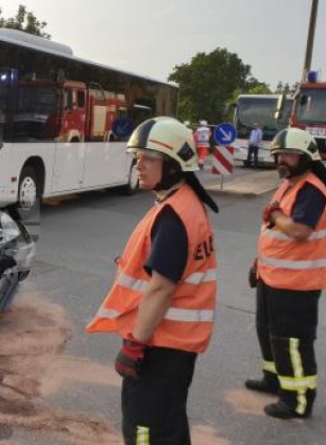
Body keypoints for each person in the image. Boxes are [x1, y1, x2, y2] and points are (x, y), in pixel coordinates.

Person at [86, 117, 219, 444]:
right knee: (169, 423)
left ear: (174, 165)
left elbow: (161, 288)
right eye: (137, 156)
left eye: (148, 157)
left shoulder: (174, 216)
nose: (138, 164)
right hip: (175, 346)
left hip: (159, 346)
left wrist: (134, 345)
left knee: (146, 428)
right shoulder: (184, 204)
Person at [245, 128, 326, 419]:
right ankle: (274, 380)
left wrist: (274, 215)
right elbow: (274, 235)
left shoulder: (311, 189)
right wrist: (258, 264)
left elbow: (298, 231)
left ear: (307, 158)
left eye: (290, 155)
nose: (282, 160)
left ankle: (298, 399)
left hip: (297, 284)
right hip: (272, 277)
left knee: (292, 341)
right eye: (279, 155)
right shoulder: (288, 184)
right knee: (267, 332)